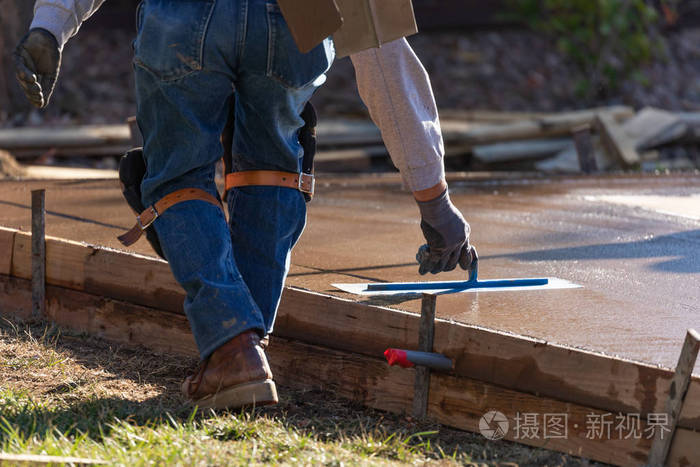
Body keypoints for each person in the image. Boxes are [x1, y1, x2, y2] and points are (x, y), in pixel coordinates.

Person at [14, 0, 473, 410]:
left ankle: (235, 347)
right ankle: (247, 352)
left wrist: (50, 24)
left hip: (185, 18)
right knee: (272, 172)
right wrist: (433, 198)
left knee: (177, 175)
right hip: (292, 19)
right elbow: (382, 49)